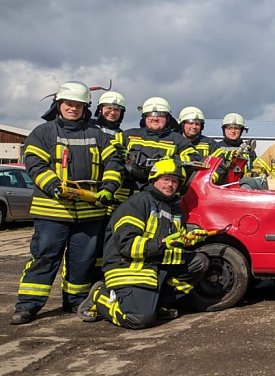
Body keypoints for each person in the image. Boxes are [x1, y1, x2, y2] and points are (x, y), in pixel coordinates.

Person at [10, 81, 124, 325]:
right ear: (59, 105)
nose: (73, 109)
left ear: (86, 108)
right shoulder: (43, 133)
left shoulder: (97, 135)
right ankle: (27, 305)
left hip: (89, 211)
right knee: (44, 256)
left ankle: (75, 301)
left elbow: (113, 163)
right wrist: (54, 187)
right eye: (68, 104)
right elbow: (35, 165)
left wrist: (108, 188)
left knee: (82, 260)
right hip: (52, 210)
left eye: (78, 105)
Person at [76, 159, 209, 329]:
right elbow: (127, 245)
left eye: (175, 181)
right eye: (166, 179)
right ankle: (100, 296)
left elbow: (171, 242)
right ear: (154, 179)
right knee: (139, 319)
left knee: (199, 261)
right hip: (129, 266)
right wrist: (162, 243)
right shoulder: (136, 204)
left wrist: (188, 240)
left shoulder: (174, 210)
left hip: (155, 265)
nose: (170, 185)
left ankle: (158, 303)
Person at [112, 97, 198, 203]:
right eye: (151, 115)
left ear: (167, 118)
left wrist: (170, 160)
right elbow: (109, 146)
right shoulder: (129, 135)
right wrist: (124, 157)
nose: (155, 118)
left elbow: (193, 157)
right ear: (144, 117)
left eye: (160, 115)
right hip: (125, 196)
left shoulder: (177, 139)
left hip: (159, 198)